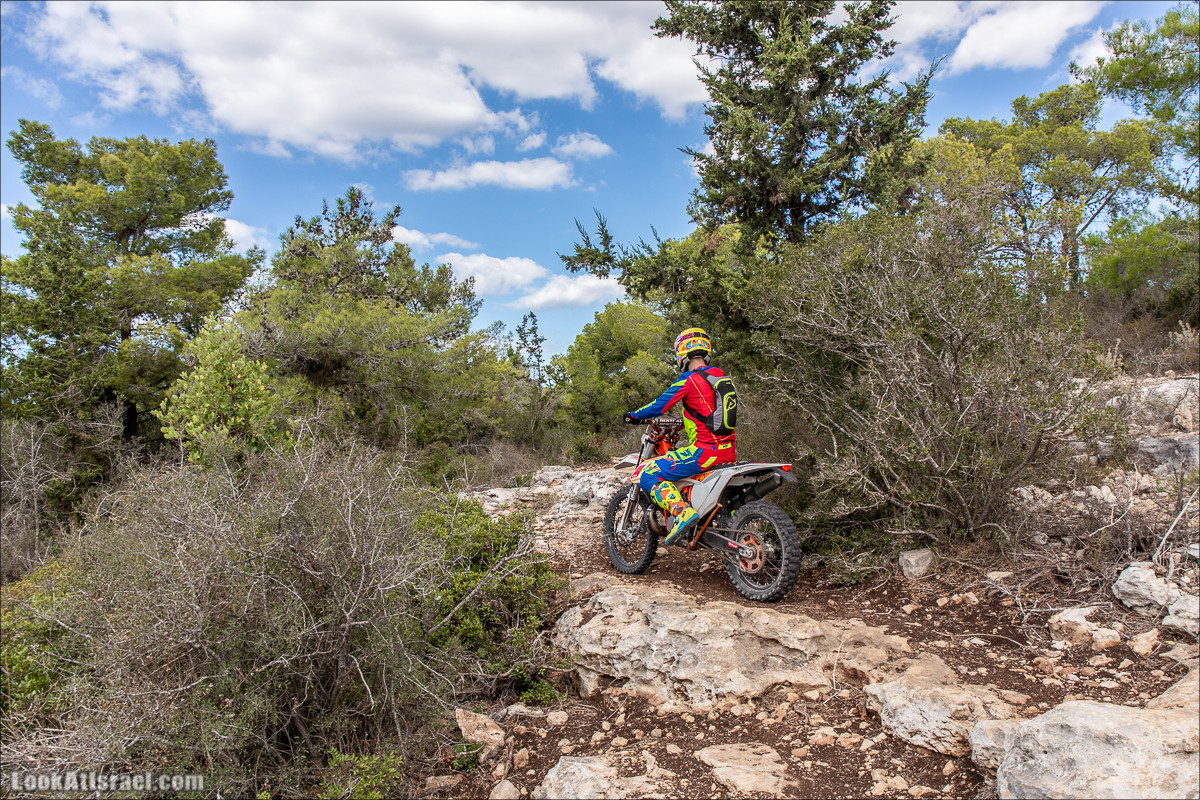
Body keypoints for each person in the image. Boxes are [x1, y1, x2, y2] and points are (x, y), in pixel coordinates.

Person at [624, 327, 737, 545]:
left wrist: (634, 415)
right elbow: (709, 415)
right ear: (705, 350)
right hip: (728, 452)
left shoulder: (688, 379)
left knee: (648, 474)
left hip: (704, 453)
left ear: (681, 354)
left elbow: (659, 406)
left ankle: (681, 511)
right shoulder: (720, 376)